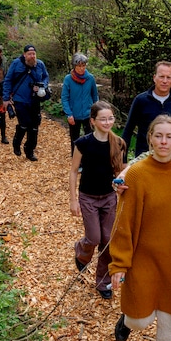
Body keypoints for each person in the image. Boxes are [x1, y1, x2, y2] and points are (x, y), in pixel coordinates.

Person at [108, 115, 171, 341]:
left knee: (169, 318)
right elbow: (123, 223)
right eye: (159, 136)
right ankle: (128, 320)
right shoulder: (137, 174)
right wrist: (119, 264)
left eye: (170, 136)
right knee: (141, 320)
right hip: (142, 256)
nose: (164, 142)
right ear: (150, 138)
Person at [70, 101, 126, 299]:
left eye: (110, 118)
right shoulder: (83, 143)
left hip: (109, 197)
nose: (107, 122)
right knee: (94, 238)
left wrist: (121, 185)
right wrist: (73, 200)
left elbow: (121, 170)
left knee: (107, 241)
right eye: (103, 119)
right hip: (88, 197)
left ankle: (103, 282)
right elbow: (74, 171)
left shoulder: (118, 143)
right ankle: (81, 250)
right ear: (93, 121)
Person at [121, 61, 171, 157]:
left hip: (170, 156)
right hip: (144, 155)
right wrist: (123, 159)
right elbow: (128, 130)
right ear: (154, 78)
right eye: (161, 76)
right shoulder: (141, 100)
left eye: (168, 77)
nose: (165, 81)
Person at [2, 45, 49, 161]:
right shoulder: (16, 64)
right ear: (24, 55)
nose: (32, 56)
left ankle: (30, 150)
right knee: (24, 123)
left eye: (34, 54)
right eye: (29, 54)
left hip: (34, 99)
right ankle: (17, 143)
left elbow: (46, 77)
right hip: (20, 99)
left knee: (34, 126)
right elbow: (8, 80)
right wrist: (6, 98)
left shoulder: (40, 65)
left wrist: (42, 86)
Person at [61, 53, 99, 156]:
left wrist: (96, 112)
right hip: (74, 114)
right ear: (74, 66)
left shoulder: (90, 78)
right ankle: (76, 161)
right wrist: (69, 114)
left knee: (90, 137)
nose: (81, 68)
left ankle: (88, 159)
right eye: (79, 66)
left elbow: (95, 96)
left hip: (88, 113)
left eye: (83, 65)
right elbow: (64, 98)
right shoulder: (68, 79)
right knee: (75, 139)